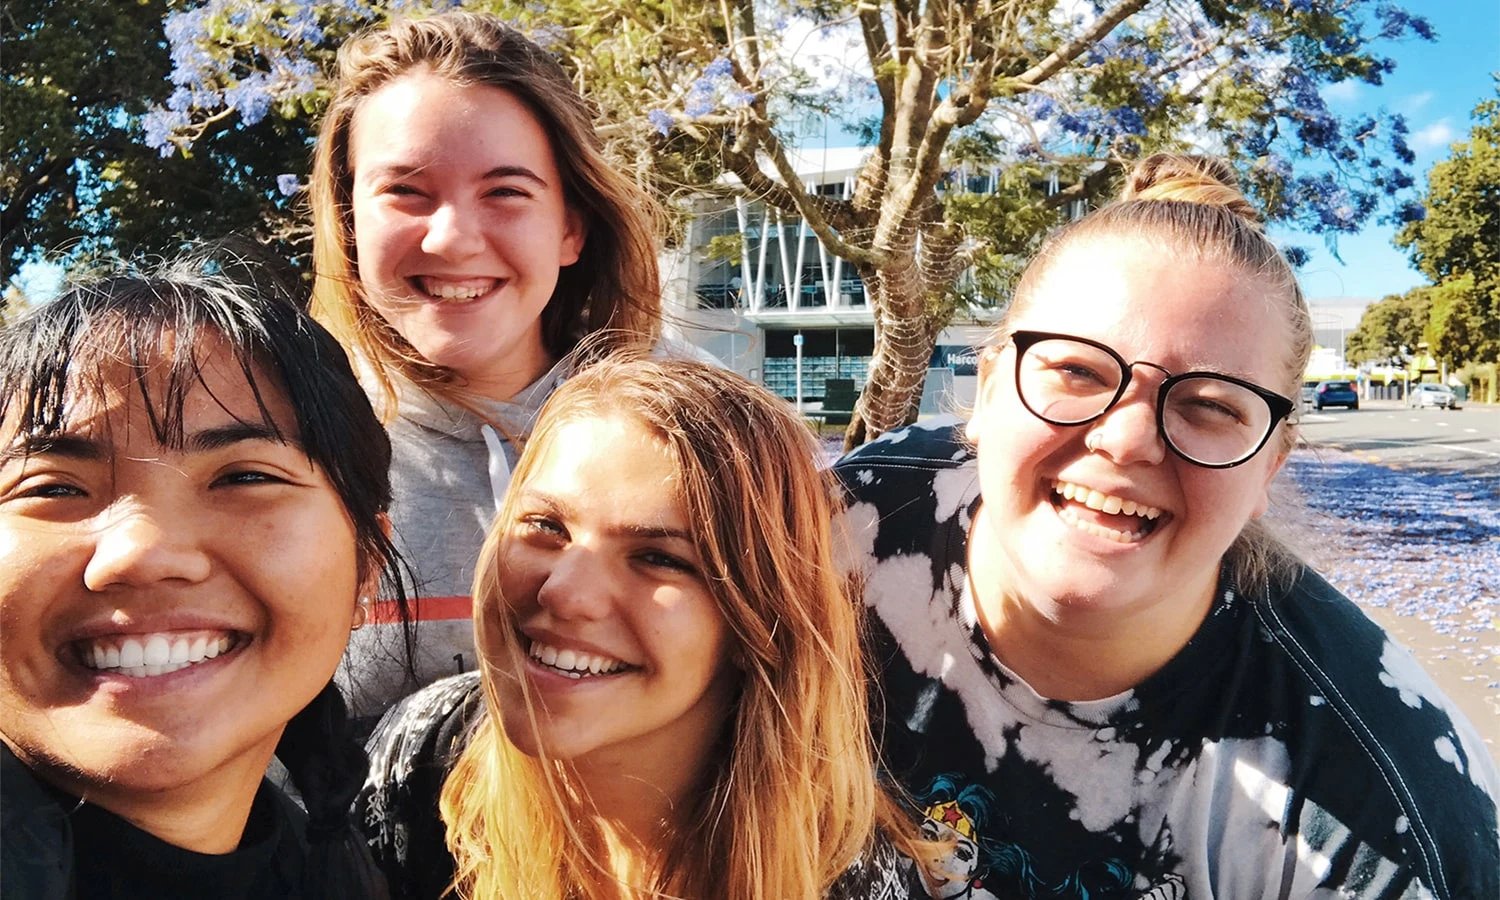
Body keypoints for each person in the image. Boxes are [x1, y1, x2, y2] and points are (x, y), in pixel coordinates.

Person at [834, 154, 1499, 899]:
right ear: (989, 393)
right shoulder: (849, 522)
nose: (1125, 440)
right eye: (1079, 372)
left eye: (1210, 406)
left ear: (1268, 470)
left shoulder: (1381, 821)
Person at [356, 357, 927, 900]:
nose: (565, 591)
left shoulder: (841, 873)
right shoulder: (421, 758)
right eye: (545, 525)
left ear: (762, 620)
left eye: (661, 557)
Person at [308, 11, 675, 723]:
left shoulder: (690, 436)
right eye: (405, 192)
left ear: (571, 227)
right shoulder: (279, 443)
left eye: (506, 192)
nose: (452, 239)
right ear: (349, 222)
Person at [0, 253, 404, 899]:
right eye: (53, 486)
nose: (141, 553)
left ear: (367, 568)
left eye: (245, 477)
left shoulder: (337, 872)